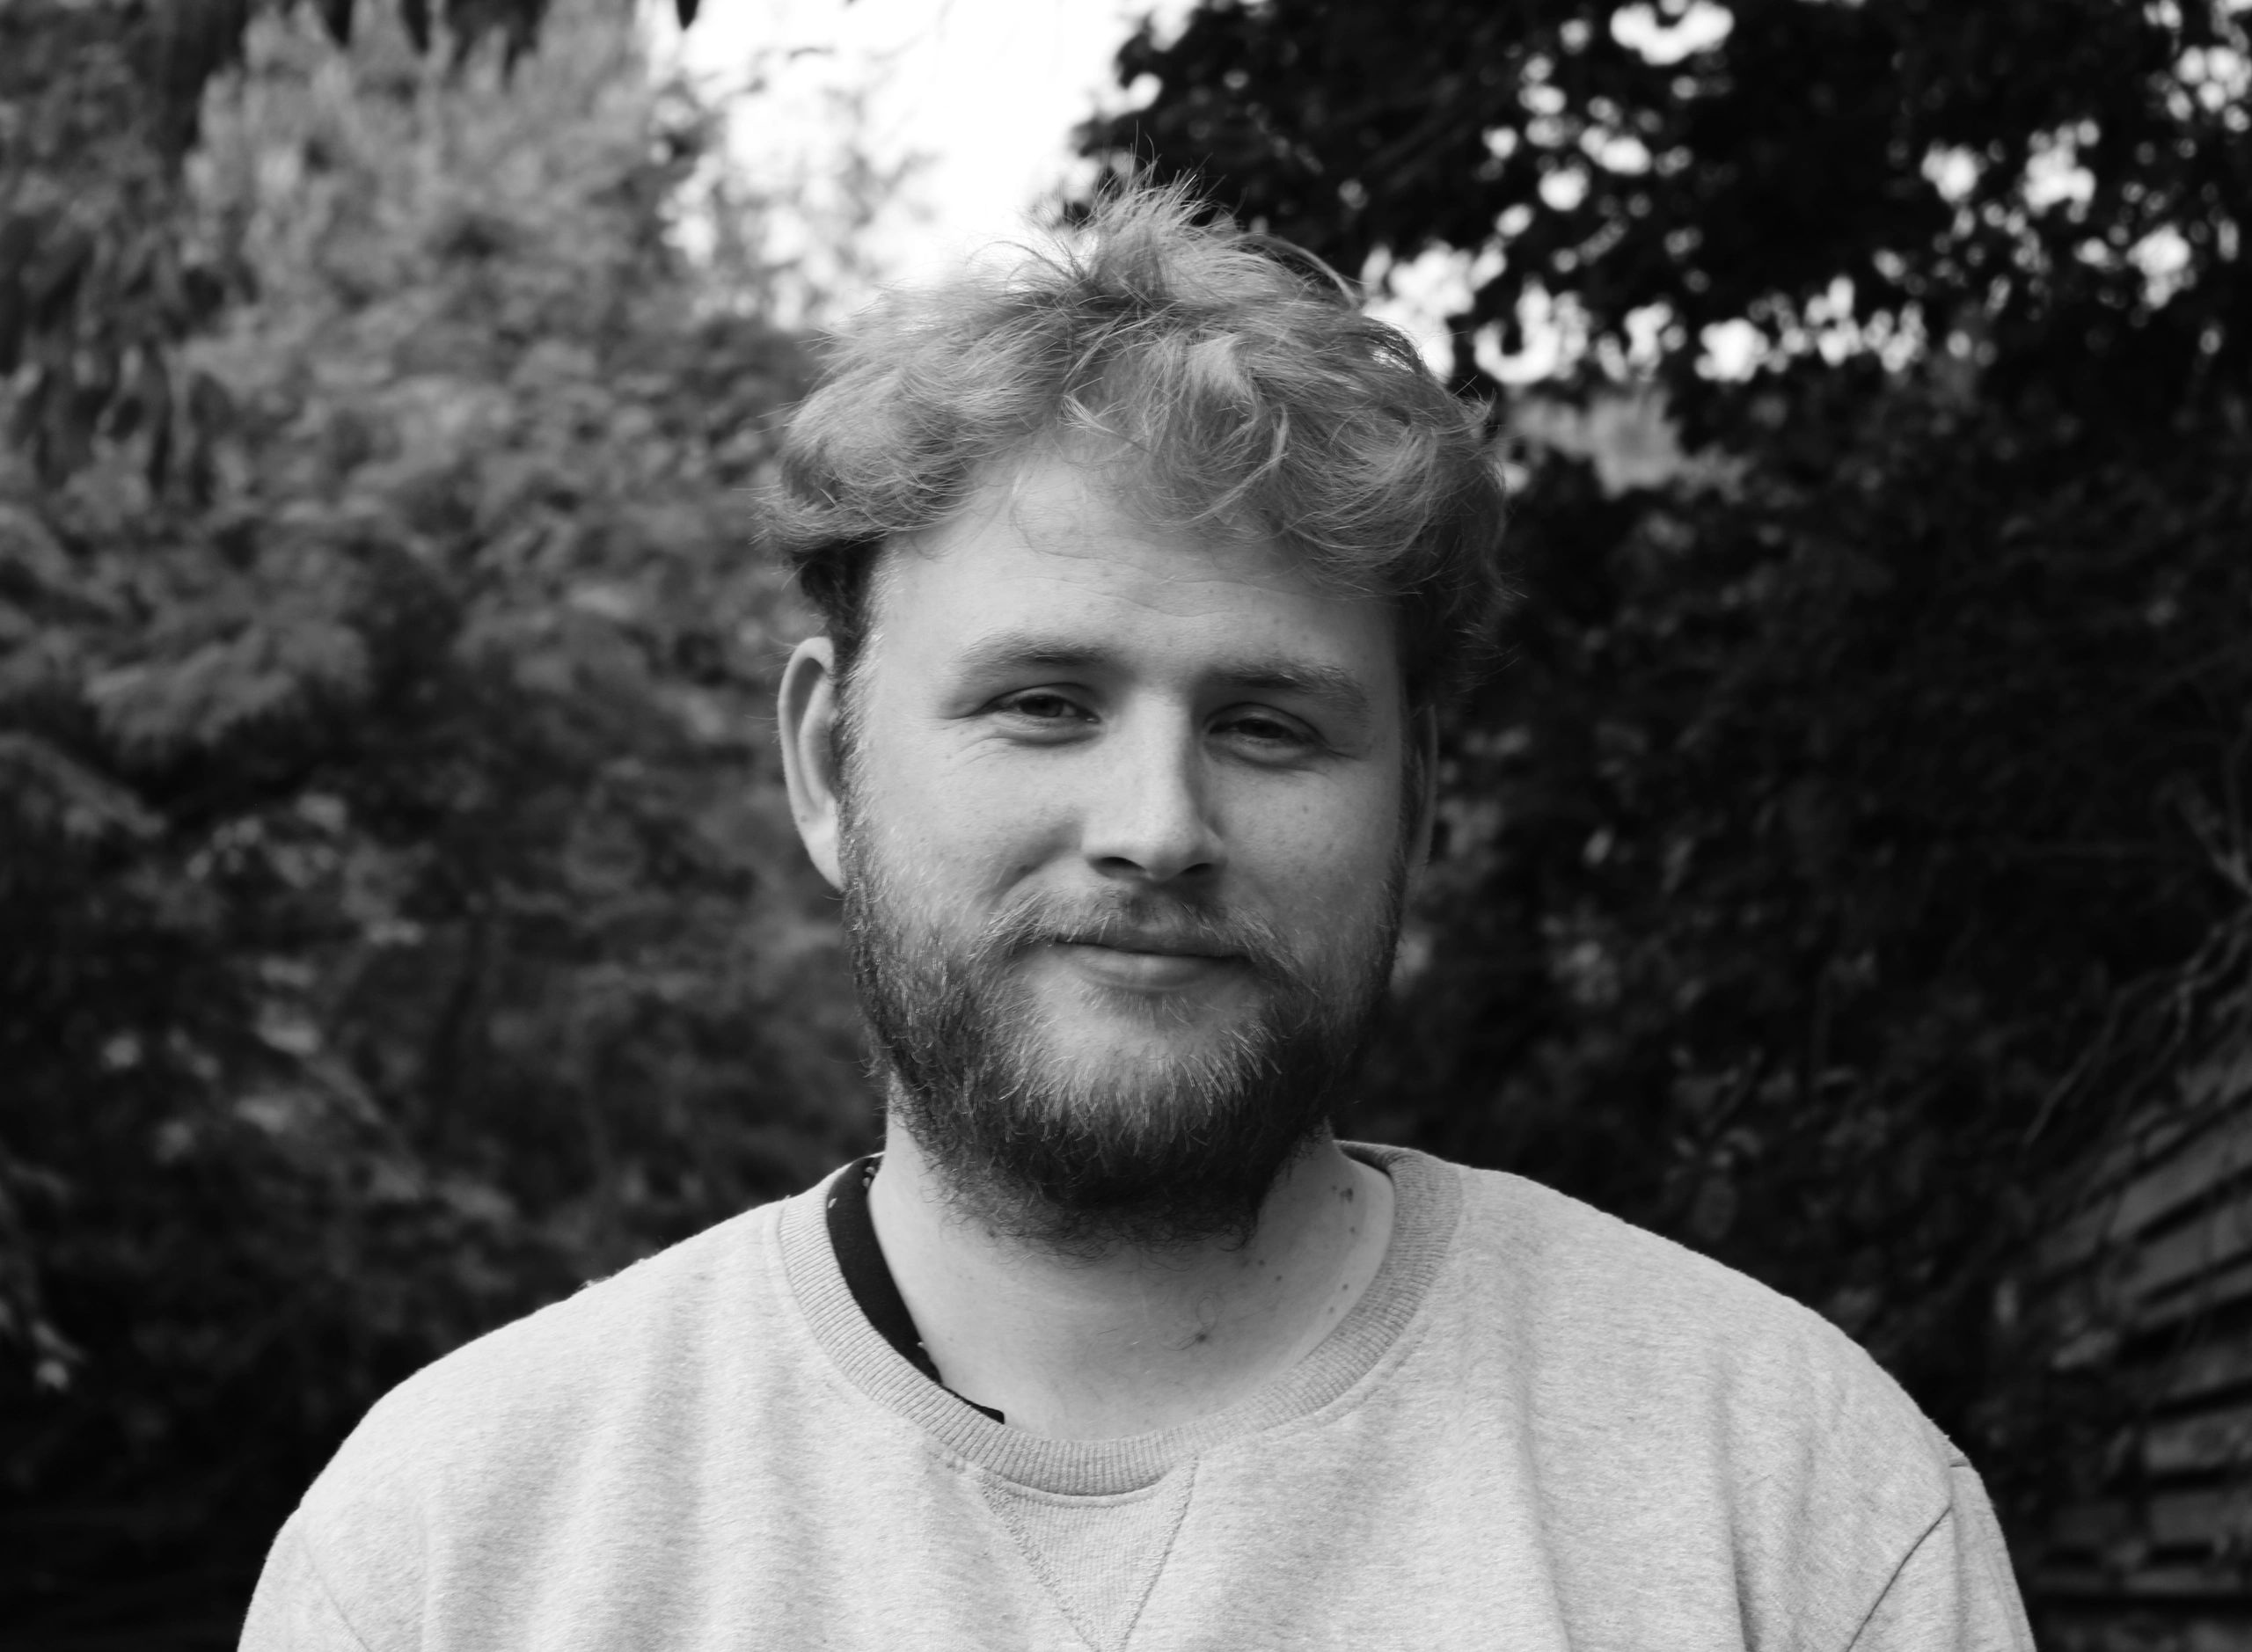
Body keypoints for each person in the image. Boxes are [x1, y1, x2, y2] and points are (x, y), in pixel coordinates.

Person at [240, 184, 2034, 1650]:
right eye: (1041, 703)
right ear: (823, 763)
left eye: (1266, 725)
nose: (1155, 829)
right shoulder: (453, 1554)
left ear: (1417, 802)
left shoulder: (1790, 1513)